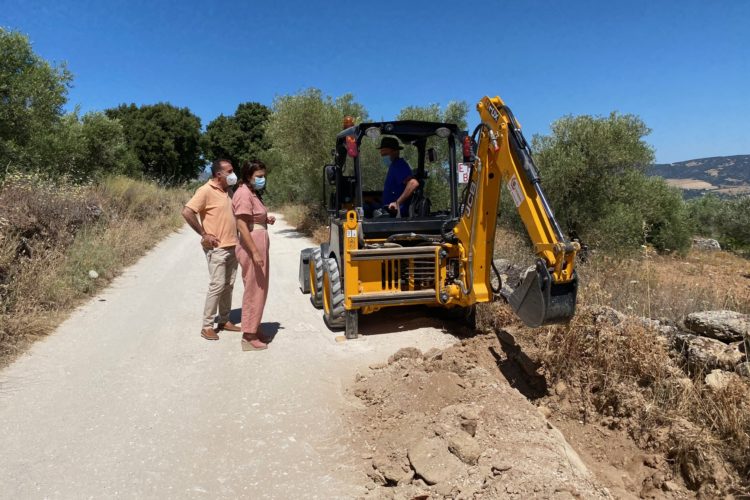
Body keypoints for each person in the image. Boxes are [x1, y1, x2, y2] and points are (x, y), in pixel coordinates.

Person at [182, 159, 241, 341]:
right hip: (216, 248)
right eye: (229, 171)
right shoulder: (205, 190)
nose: (233, 174)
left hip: (232, 246)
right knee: (217, 285)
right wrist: (204, 234)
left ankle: (224, 320)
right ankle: (207, 326)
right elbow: (187, 211)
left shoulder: (228, 190)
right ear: (218, 174)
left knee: (228, 285)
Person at [233, 160, 276, 351]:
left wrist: (266, 218)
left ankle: (254, 327)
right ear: (248, 176)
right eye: (258, 176)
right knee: (254, 289)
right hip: (252, 245)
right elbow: (242, 225)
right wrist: (255, 252)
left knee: (259, 288)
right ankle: (249, 336)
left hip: (258, 241)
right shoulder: (243, 193)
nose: (262, 179)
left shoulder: (251, 193)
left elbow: (252, 217)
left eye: (263, 176)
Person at [379, 137, 419, 217]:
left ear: (395, 151)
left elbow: (413, 183)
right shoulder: (393, 166)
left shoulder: (399, 166)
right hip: (388, 212)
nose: (383, 157)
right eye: (382, 154)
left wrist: (397, 203)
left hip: (396, 215)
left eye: (385, 154)